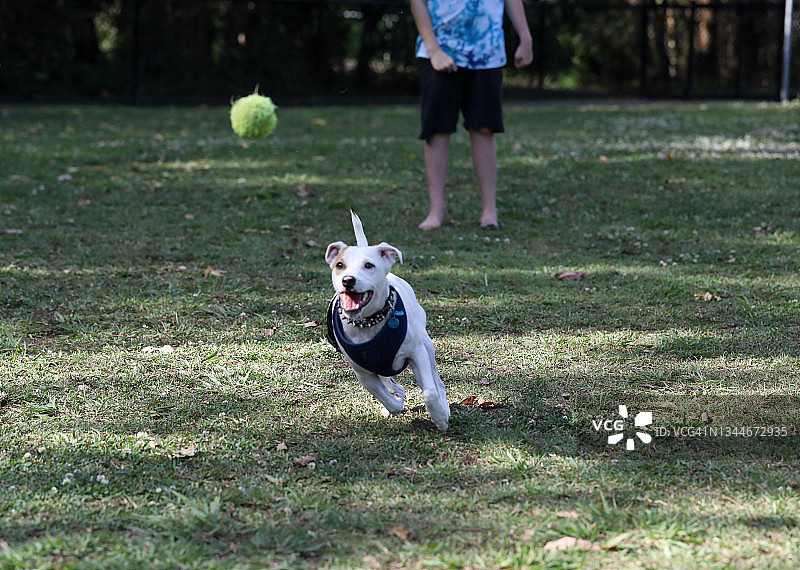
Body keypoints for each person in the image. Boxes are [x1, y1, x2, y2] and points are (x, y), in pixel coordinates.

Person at [410, 0, 533, 230]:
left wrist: (525, 38)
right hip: (437, 53)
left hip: (488, 54)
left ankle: (489, 211)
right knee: (437, 131)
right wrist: (434, 50)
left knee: (484, 129)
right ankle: (435, 212)